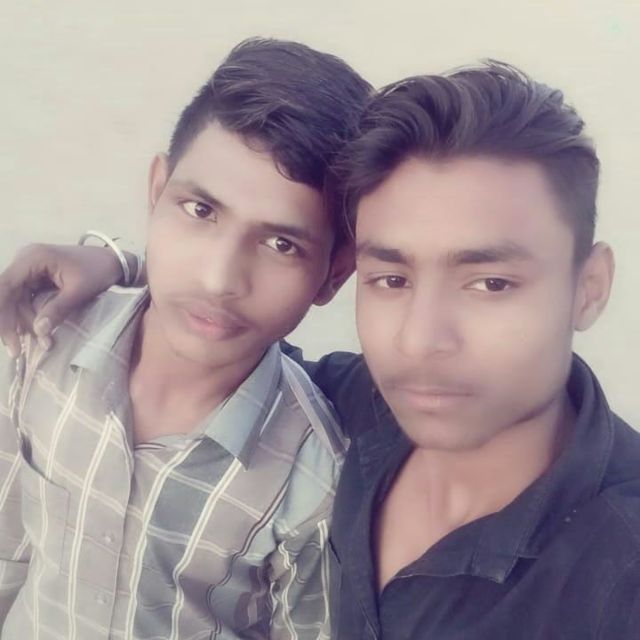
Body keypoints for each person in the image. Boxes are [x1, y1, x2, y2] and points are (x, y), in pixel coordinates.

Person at [2, 63, 639, 639]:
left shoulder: (619, 578)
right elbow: (214, 321)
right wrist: (112, 265)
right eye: (391, 278)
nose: (419, 340)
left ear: (589, 287)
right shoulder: (360, 400)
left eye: (491, 284)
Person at [0, 37, 372, 639]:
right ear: (157, 190)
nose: (219, 279)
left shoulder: (314, 481)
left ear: (333, 275)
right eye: (201, 211)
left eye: (281, 244)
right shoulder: (49, 341)